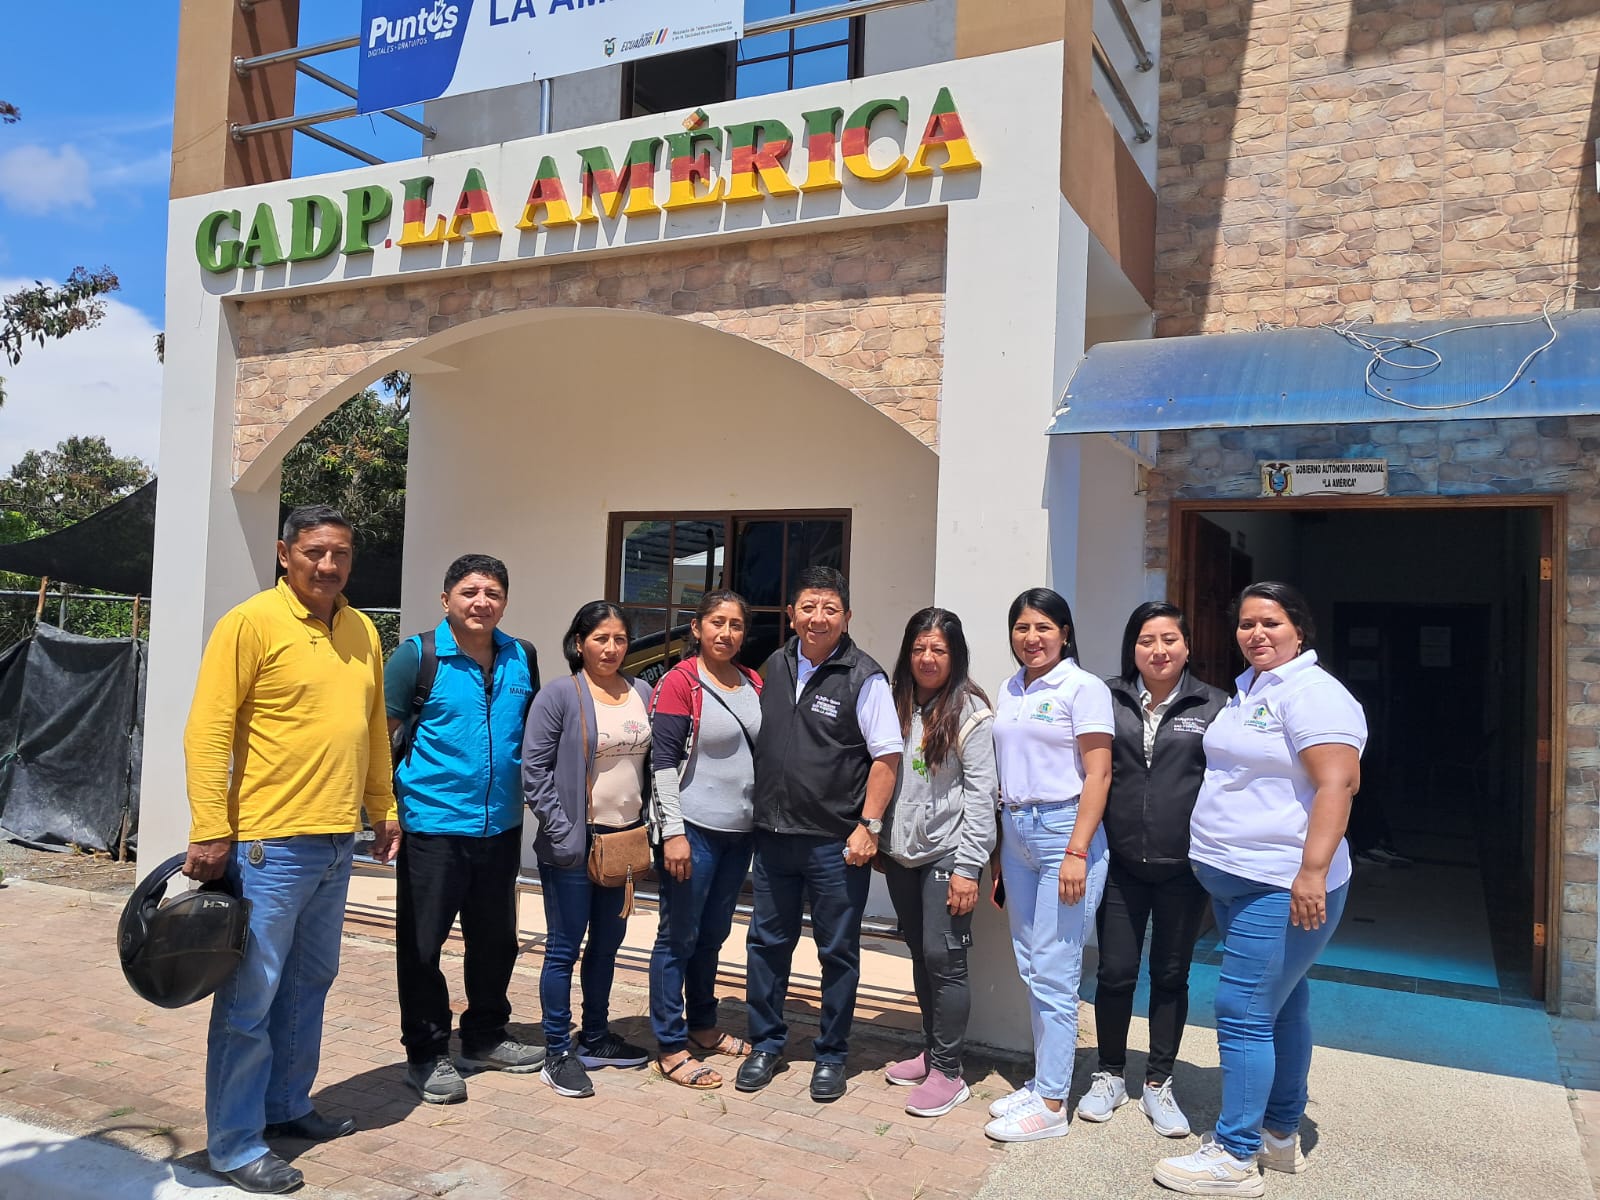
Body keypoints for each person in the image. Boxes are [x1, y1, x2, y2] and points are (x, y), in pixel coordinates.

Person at [182, 504, 400, 1195]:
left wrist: (383, 808)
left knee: (309, 983)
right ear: (285, 554)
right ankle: (234, 1144)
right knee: (250, 998)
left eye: (341, 554)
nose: (328, 566)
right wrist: (210, 826)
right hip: (268, 845)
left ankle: (286, 1105)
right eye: (314, 552)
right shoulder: (250, 623)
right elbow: (208, 730)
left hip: (336, 840)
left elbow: (372, 727)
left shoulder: (362, 630)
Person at [1154, 581, 1366, 1197]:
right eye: (1247, 624)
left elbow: (1338, 784)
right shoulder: (1250, 688)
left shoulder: (1314, 694)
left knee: (1243, 1010)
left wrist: (1312, 871)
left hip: (1280, 883)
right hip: (1235, 879)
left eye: (1270, 622)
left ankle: (1234, 1154)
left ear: (1299, 629)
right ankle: (1277, 1132)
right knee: (1284, 1003)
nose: (1256, 634)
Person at [736, 566, 903, 1103]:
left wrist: (868, 826)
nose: (818, 617)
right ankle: (765, 1043)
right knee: (766, 944)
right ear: (791, 614)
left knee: (837, 951)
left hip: (836, 843)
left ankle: (831, 1054)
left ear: (846, 617)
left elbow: (886, 759)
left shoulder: (865, 677)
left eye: (830, 608)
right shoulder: (774, 665)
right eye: (808, 607)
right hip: (773, 836)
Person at [385, 554, 543, 1105]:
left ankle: (485, 1036)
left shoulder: (521, 655)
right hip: (433, 825)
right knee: (422, 946)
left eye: (493, 593)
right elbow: (382, 734)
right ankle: (426, 1053)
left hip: (500, 826)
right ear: (446, 598)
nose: (482, 602)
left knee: (496, 940)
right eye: (470, 592)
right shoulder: (417, 656)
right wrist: (386, 810)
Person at [1076, 602, 1226, 1138]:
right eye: (1146, 640)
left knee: (1170, 975)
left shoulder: (1214, 705)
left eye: (1169, 640)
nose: (1158, 650)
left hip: (1184, 869)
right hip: (1120, 864)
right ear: (1132, 647)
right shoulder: (1107, 697)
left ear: (1187, 646)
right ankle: (1110, 1073)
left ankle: (1159, 1081)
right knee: (1115, 972)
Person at [983, 587, 1113, 1143]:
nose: (1031, 638)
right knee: (1032, 965)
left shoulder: (1083, 688)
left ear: (1064, 632)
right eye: (1022, 627)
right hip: (1016, 833)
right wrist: (999, 851)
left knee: (1056, 970)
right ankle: (1043, 1080)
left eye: (1043, 627)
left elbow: (1099, 774)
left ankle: (1053, 1105)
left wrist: (1078, 850)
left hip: (1064, 831)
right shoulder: (1010, 688)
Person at [522, 600, 653, 1099]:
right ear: (579, 643)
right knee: (563, 948)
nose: (611, 648)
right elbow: (534, 770)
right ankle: (557, 1051)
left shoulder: (641, 692)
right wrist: (563, 832)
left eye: (620, 639)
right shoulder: (561, 694)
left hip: (623, 844)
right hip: (575, 849)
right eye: (600, 638)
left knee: (606, 946)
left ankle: (595, 1036)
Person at [880, 608, 998, 1118]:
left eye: (939, 650)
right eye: (919, 648)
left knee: (944, 958)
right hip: (901, 854)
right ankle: (931, 1052)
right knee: (921, 954)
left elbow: (982, 797)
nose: (927, 658)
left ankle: (949, 1072)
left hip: (948, 852)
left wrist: (969, 867)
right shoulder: (894, 702)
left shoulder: (971, 712)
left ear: (955, 655)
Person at [646, 590, 764, 1089]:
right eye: (717, 622)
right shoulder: (680, 682)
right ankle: (670, 1044)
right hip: (692, 831)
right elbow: (662, 764)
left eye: (735, 625)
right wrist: (672, 832)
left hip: (739, 834)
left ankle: (703, 1024)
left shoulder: (753, 682)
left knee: (712, 935)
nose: (726, 633)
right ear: (696, 628)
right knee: (678, 937)